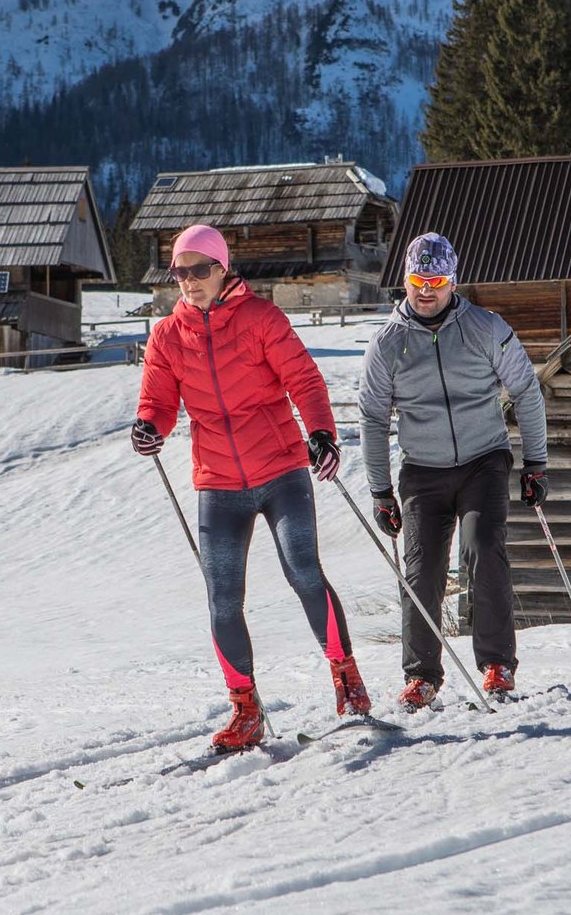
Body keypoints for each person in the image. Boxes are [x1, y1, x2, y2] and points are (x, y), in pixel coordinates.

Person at [132, 224, 370, 752]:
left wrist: (322, 433)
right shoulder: (167, 336)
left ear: (222, 269)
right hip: (217, 482)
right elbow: (159, 402)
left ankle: (347, 680)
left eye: (199, 269)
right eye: (180, 271)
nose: (189, 281)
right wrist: (150, 425)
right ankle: (245, 709)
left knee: (303, 571)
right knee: (221, 599)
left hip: (281, 469)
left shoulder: (262, 319)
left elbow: (304, 380)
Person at [358, 232, 549, 708]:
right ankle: (421, 677)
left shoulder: (485, 328)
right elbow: (373, 417)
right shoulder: (387, 344)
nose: (426, 290)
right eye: (417, 280)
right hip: (423, 469)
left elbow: (526, 390)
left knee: (482, 548)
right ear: (405, 280)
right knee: (422, 570)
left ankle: (497, 666)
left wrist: (536, 463)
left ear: (453, 281)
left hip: (483, 459)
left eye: (437, 280)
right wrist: (381, 492)